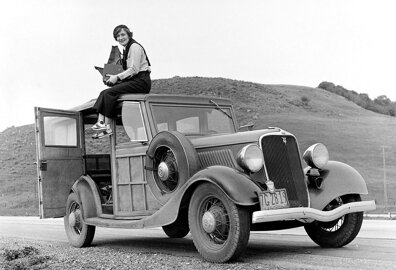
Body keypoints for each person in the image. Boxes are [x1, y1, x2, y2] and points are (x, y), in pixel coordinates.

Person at [91, 24, 151, 139]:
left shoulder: (134, 47)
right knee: (106, 92)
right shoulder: (127, 48)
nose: (120, 38)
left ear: (128, 34)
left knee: (109, 93)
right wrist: (112, 77)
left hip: (141, 81)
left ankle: (105, 126)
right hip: (135, 80)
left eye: (123, 34)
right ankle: (103, 124)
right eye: (118, 36)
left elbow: (134, 69)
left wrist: (117, 77)